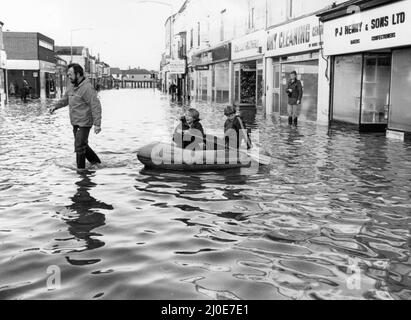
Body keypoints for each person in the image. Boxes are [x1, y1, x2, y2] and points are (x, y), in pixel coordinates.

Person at [49, 63, 102, 171]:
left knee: (79, 146)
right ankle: (96, 163)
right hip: (75, 122)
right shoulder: (71, 87)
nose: (69, 77)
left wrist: (97, 124)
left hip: (84, 123)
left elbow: (95, 106)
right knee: (83, 145)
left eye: (70, 74)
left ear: (78, 74)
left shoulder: (87, 88)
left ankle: (81, 171)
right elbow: (65, 100)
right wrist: (55, 106)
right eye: (68, 75)